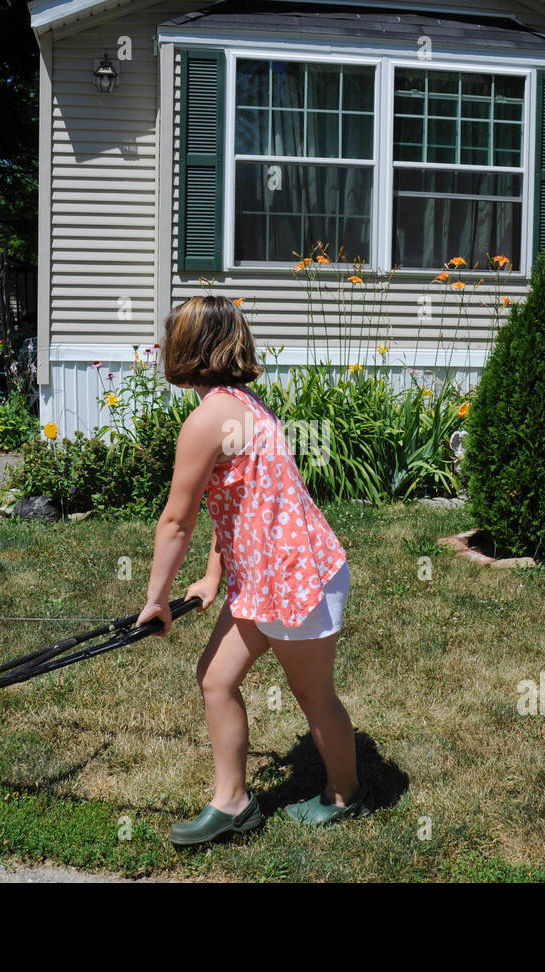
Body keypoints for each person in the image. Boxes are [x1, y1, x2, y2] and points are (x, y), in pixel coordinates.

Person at [136, 295, 366, 846]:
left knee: (314, 695)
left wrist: (156, 599)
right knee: (216, 678)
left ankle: (346, 795)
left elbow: (176, 520)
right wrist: (215, 577)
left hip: (294, 580)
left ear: (190, 348)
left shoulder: (206, 420)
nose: (164, 346)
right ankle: (233, 801)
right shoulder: (242, 403)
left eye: (172, 336)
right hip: (268, 576)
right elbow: (238, 501)